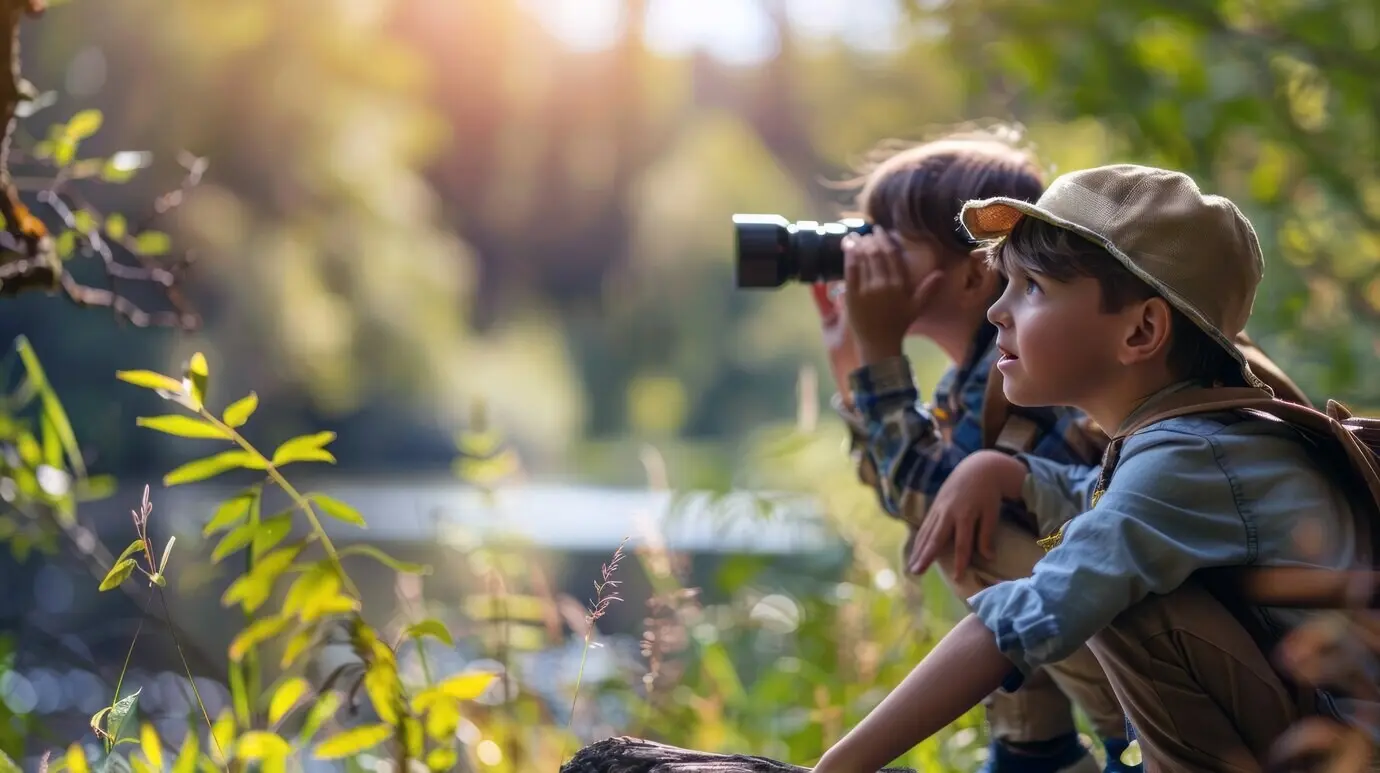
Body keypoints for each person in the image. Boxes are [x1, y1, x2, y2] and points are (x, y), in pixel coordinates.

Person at [810, 164, 1369, 773]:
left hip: (1341, 755)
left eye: (1032, 288)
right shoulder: (1196, 439)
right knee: (1107, 555)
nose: (998, 311)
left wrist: (836, 768)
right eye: (1006, 283)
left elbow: (1019, 621)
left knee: (1123, 594)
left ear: (1142, 330)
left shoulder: (1189, 457)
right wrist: (1012, 473)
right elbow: (1102, 498)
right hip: (1312, 726)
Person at [812, 128, 1136, 772]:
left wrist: (878, 361)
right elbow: (908, 490)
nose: (863, 256)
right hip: (1092, 631)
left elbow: (927, 498)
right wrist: (852, 364)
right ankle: (1033, 746)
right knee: (959, 516)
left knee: (970, 532)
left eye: (888, 241)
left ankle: (1069, 750)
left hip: (1133, 673)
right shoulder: (980, 376)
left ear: (970, 273)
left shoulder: (1033, 378)